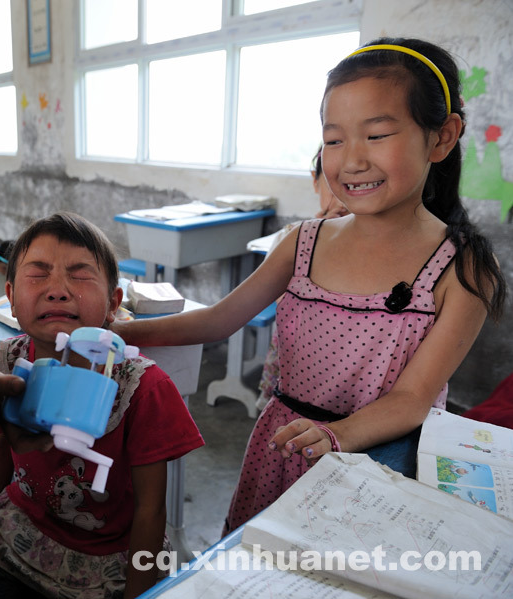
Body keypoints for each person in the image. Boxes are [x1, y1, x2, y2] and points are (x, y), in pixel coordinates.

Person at [113, 38, 507, 535]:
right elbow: (220, 319)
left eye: (378, 134)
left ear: (442, 137)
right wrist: (121, 332)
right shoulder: (304, 241)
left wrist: (336, 434)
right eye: (334, 139)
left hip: (376, 464)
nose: (351, 161)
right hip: (284, 448)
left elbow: (412, 398)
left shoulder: (464, 268)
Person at [0, 213, 204, 599]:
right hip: (15, 533)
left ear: (114, 303)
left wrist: (138, 593)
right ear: (11, 298)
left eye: (80, 275)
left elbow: (151, 512)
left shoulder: (145, 388)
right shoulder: (3, 363)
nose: (58, 289)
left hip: (107, 560)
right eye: (39, 273)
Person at [256, 146, 349, 407]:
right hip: (295, 366)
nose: (343, 200)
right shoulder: (292, 237)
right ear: (315, 181)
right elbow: (275, 300)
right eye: (334, 183)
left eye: (355, 186)